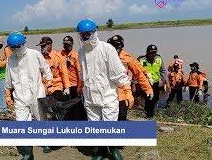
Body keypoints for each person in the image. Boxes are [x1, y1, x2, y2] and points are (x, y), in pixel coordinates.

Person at [77, 19, 131, 160]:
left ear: (95, 32)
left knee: (110, 124)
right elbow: (83, 71)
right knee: (94, 125)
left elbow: (118, 73)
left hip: (107, 94)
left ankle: (113, 150)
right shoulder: (81, 51)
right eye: (82, 35)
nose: (85, 37)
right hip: (90, 95)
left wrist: (127, 90)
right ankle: (99, 151)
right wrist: (81, 85)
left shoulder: (107, 49)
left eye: (88, 34)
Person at [5, 32, 53, 160]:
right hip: (20, 96)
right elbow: (8, 79)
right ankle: (28, 154)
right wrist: (8, 95)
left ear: (23, 44)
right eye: (12, 47)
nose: (15, 50)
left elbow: (46, 69)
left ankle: (46, 142)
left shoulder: (34, 54)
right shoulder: (11, 59)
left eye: (17, 47)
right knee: (21, 124)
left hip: (37, 93)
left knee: (41, 119)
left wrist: (48, 82)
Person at [107, 35, 153, 121]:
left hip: (121, 93)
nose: (115, 48)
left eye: (117, 46)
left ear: (121, 46)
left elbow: (138, 73)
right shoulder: (103, 55)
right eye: (113, 46)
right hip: (107, 93)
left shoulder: (126, 58)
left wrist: (148, 88)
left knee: (121, 117)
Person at [37, 36, 71, 153]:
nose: (42, 48)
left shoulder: (58, 58)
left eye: (44, 46)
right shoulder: (39, 57)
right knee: (43, 113)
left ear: (50, 45)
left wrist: (67, 88)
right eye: (41, 46)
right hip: (43, 88)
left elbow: (64, 73)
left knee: (56, 112)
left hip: (56, 87)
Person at [138, 44, 170, 118]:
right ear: (147, 52)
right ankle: (148, 115)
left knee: (155, 99)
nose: (153, 54)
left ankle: (150, 114)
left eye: (154, 52)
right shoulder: (141, 59)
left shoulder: (159, 58)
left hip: (155, 83)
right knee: (148, 99)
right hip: (145, 83)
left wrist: (166, 82)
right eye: (151, 52)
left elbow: (163, 71)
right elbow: (136, 71)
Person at [60, 36, 87, 120]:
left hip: (75, 85)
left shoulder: (76, 56)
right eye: (64, 44)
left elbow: (80, 73)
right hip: (65, 85)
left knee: (77, 106)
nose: (66, 46)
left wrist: (80, 87)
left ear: (72, 44)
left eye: (68, 44)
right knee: (67, 106)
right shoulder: (60, 55)